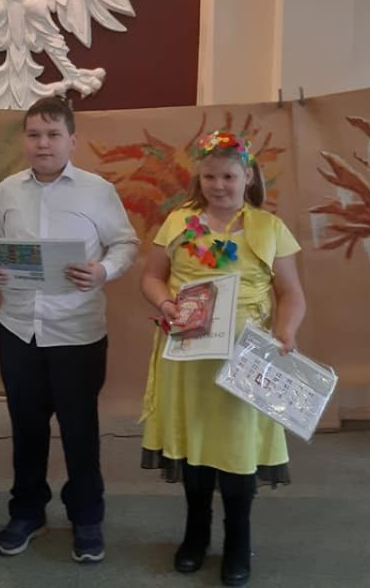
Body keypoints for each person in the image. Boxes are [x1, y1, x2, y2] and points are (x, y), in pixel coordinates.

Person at [139, 131, 306, 586]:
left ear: (247, 176)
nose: (218, 185)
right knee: (194, 446)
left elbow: (291, 294)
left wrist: (286, 330)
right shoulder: (178, 222)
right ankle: (196, 535)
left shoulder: (269, 228)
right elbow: (152, 278)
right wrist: (165, 303)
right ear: (200, 177)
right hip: (187, 357)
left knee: (237, 449)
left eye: (229, 176)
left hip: (244, 359)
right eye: (210, 176)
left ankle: (237, 541)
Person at [0, 96, 139, 563]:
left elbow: (125, 243)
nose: (43, 144)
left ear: (72, 140)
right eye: (34, 135)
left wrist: (103, 270)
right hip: (19, 329)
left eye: (53, 135)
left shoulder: (97, 190)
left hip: (77, 333)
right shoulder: (8, 190)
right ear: (24, 141)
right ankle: (27, 512)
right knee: (26, 429)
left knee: (79, 430)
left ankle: (86, 517)